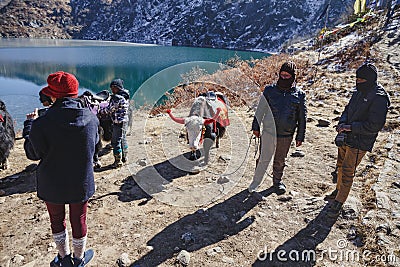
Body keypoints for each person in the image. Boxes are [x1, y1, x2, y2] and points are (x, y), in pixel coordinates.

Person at [23, 71, 98, 267]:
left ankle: (64, 259)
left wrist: (29, 126)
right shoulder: (91, 118)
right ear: (74, 93)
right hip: (80, 182)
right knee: (79, 219)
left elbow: (32, 154)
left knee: (57, 221)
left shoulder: (41, 123)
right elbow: (95, 146)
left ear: (54, 96)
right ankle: (79, 259)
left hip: (52, 183)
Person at [325, 62, 390, 217]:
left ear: (370, 80)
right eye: (357, 79)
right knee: (340, 164)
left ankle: (339, 202)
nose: (358, 82)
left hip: (360, 141)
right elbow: (348, 109)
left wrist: (351, 127)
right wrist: (342, 123)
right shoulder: (359, 91)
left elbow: (374, 125)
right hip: (347, 135)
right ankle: (338, 191)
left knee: (348, 170)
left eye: (361, 80)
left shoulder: (380, 98)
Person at [249, 61, 307, 195]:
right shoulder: (270, 91)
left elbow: (302, 118)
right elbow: (260, 110)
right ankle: (256, 181)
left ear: (293, 77)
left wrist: (300, 136)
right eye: (282, 75)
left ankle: (277, 182)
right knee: (263, 158)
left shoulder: (299, 95)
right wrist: (256, 126)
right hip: (268, 131)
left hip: (286, 135)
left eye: (287, 76)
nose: (284, 78)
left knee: (280, 160)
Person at [100, 78, 130, 168]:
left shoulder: (117, 98)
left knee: (116, 142)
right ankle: (125, 157)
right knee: (123, 138)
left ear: (118, 88)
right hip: (125, 120)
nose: (112, 90)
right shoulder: (125, 94)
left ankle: (118, 162)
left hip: (118, 122)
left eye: (113, 88)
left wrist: (100, 110)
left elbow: (110, 109)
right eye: (111, 88)